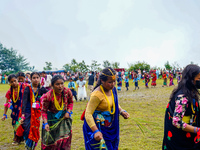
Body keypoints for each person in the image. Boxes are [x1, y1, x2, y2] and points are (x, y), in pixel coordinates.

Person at [83, 67, 130, 150]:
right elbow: (88, 113)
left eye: (114, 81)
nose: (113, 84)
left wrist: (121, 111)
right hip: (99, 127)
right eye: (110, 82)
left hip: (109, 127)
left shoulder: (112, 90)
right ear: (102, 81)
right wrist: (96, 131)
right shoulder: (97, 95)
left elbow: (114, 104)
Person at [162, 64, 200, 150]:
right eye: (199, 79)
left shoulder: (191, 91)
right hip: (180, 139)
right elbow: (176, 122)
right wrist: (197, 130)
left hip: (187, 133)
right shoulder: (183, 96)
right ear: (191, 79)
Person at [41, 75, 73, 150]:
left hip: (64, 118)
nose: (60, 86)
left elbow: (71, 102)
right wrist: (45, 123)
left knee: (65, 139)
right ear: (52, 85)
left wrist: (68, 112)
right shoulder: (48, 96)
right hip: (52, 120)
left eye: (62, 83)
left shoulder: (67, 91)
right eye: (57, 84)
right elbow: (43, 110)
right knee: (51, 141)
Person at [20, 72, 47, 150]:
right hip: (28, 112)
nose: (36, 79)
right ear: (30, 79)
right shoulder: (27, 88)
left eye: (37, 78)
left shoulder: (42, 89)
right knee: (27, 129)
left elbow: (49, 96)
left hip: (37, 113)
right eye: (34, 78)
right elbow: (24, 102)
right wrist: (23, 115)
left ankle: (33, 147)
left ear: (40, 78)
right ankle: (28, 146)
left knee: (35, 129)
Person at [2, 74, 28, 145]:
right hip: (15, 111)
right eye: (11, 82)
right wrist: (4, 114)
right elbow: (6, 104)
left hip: (24, 109)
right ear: (9, 83)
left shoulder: (25, 86)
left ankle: (24, 139)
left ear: (17, 79)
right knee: (15, 124)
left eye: (15, 81)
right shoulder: (10, 91)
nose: (13, 83)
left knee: (24, 124)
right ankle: (17, 139)